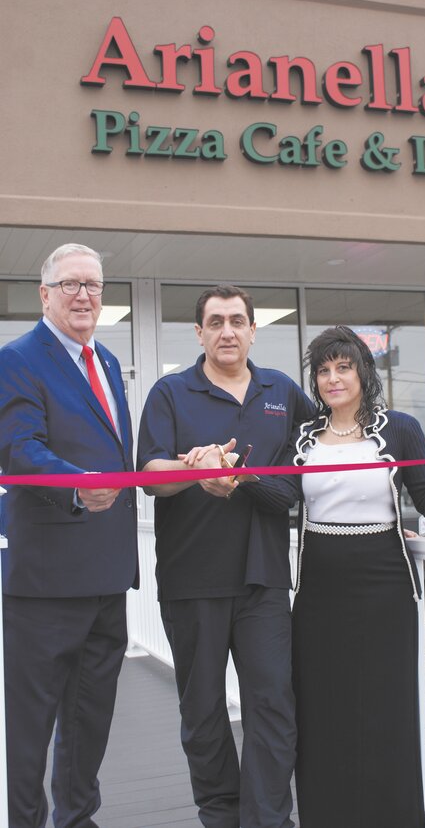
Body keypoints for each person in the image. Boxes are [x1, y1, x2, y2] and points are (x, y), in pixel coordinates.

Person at [136, 284, 314, 828]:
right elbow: (149, 476)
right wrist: (196, 469)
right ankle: (220, 816)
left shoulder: (281, 390)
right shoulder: (171, 392)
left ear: (254, 330)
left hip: (263, 581)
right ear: (199, 333)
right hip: (193, 579)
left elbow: (331, 439)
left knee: (273, 709)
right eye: (215, 322)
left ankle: (266, 819)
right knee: (203, 712)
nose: (228, 331)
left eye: (237, 321)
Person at [290, 325, 425, 828]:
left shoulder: (398, 428)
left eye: (343, 366)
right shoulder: (304, 435)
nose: (333, 378)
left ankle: (392, 816)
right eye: (324, 370)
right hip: (318, 589)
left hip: (385, 586)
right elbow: (280, 496)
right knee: (323, 706)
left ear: (363, 371)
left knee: (386, 707)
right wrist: (238, 479)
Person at [0, 244, 138, 828]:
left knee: (89, 718)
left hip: (105, 575)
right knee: (31, 728)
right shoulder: (18, 359)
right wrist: (79, 486)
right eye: (71, 284)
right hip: (45, 580)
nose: (84, 295)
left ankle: (77, 818)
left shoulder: (105, 361)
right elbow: (18, 449)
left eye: (94, 285)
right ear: (45, 294)